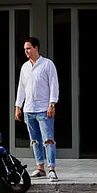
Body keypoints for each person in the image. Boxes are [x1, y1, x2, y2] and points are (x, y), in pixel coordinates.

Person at [15, 36, 60, 180]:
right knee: (34, 140)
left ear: (36, 48)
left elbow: (54, 84)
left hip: (43, 108)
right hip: (29, 109)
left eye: (29, 48)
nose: (26, 51)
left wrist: (52, 103)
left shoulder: (47, 64)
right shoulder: (25, 67)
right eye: (25, 49)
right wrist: (18, 106)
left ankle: (51, 168)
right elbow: (21, 87)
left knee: (48, 139)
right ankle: (40, 167)